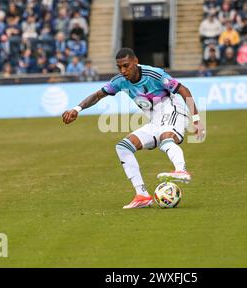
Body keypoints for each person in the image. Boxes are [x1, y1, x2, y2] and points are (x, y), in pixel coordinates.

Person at [62, 48, 206, 209]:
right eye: (119, 67)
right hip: (155, 120)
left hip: (173, 109)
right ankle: (142, 195)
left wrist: (197, 120)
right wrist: (76, 109)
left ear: (135, 62)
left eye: (126, 66)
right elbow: (97, 95)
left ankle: (181, 170)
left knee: (166, 139)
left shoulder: (154, 74)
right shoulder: (119, 81)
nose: (123, 71)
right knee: (123, 147)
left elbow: (183, 90)